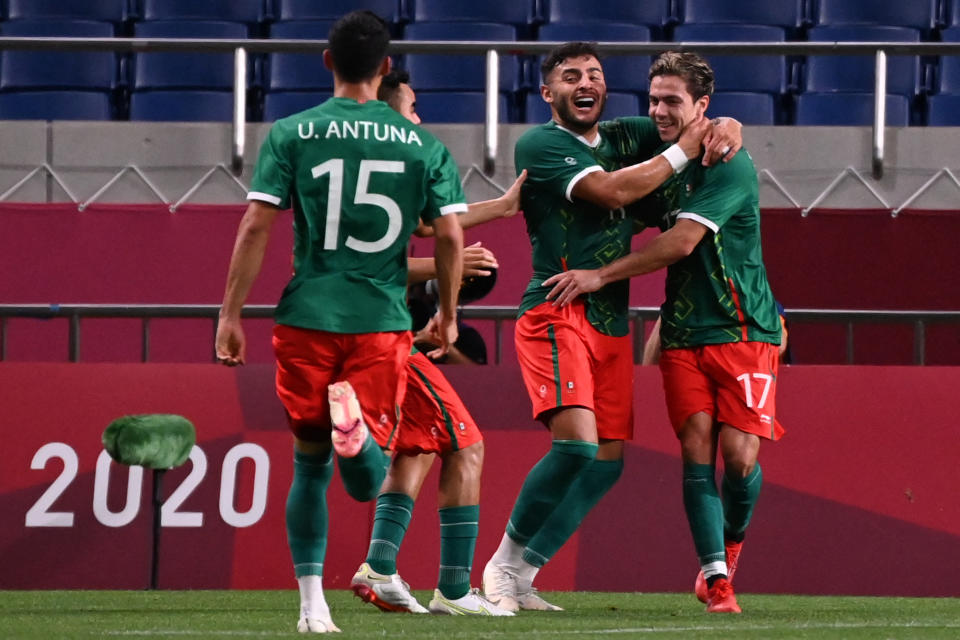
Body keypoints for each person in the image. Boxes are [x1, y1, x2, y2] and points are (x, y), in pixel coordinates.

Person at [214, 11, 465, 633]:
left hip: (306, 316)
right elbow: (452, 235)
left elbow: (255, 226)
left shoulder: (293, 133)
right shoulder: (425, 146)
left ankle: (311, 605)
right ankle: (355, 435)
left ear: (326, 62)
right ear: (385, 69)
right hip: (380, 320)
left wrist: (230, 315)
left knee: (307, 464)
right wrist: (449, 317)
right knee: (364, 479)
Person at [481, 41, 743, 612]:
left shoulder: (626, 135)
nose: (585, 83)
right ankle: (499, 565)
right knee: (575, 448)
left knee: (605, 465)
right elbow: (612, 190)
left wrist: (726, 124)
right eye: (570, 75)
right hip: (556, 309)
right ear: (548, 92)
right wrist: (688, 148)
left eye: (594, 74)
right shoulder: (542, 143)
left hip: (610, 323)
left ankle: (525, 573)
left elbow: (685, 116)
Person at [543, 51, 784, 614]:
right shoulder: (657, 147)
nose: (658, 111)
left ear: (701, 105)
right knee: (697, 450)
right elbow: (594, 144)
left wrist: (599, 274)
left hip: (743, 328)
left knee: (740, 458)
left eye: (672, 101)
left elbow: (678, 243)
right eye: (652, 99)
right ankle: (716, 580)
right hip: (681, 333)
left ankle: (732, 543)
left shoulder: (730, 162)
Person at [347, 70, 520, 617]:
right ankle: (452, 589)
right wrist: (449, 283)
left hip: (362, 331)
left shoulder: (363, 163)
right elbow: (369, 266)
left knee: (417, 446)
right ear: (390, 109)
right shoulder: (388, 161)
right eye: (414, 108)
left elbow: (432, 222)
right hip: (370, 334)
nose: (419, 119)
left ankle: (379, 564)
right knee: (467, 446)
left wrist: (503, 206)